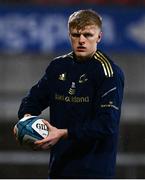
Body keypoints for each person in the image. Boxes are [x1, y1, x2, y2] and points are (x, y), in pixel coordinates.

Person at [16, 9, 124, 179]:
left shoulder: (108, 72)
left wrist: (62, 133)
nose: (81, 40)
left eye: (88, 35)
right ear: (69, 35)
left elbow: (107, 124)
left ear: (99, 37)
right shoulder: (58, 66)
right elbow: (32, 100)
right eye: (76, 34)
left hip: (94, 171)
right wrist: (26, 120)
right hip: (59, 169)